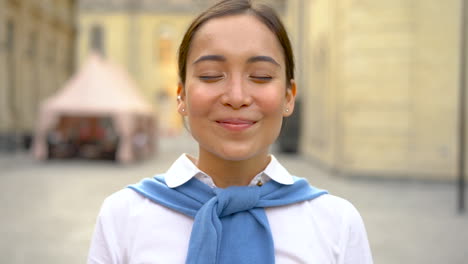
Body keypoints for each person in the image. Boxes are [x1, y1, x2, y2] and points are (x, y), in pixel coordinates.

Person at [87, 0, 373, 263]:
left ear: (288, 97)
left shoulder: (336, 223)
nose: (236, 97)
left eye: (260, 76)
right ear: (181, 96)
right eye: (211, 75)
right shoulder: (123, 217)